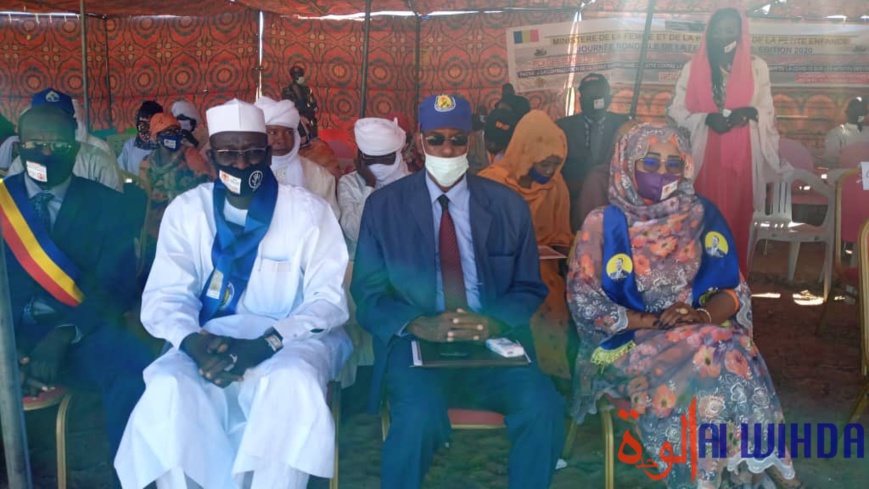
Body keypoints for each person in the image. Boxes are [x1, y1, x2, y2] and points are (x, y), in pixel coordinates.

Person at [113, 99, 351, 489]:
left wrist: (267, 344)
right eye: (229, 153)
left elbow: (327, 301)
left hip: (289, 341)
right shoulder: (187, 212)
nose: (241, 163)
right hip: (208, 339)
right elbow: (165, 296)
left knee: (291, 382)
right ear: (212, 154)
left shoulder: (308, 212)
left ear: (268, 151)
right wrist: (192, 343)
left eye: (252, 151)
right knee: (169, 385)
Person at [567, 123, 801, 489]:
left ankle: (726, 474)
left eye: (673, 164)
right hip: (625, 343)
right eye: (651, 162)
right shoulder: (602, 223)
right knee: (722, 349)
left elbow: (734, 290)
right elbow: (584, 301)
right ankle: (761, 474)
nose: (662, 173)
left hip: (700, 336)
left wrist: (699, 316)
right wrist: (657, 321)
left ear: (687, 166)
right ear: (626, 163)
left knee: (725, 347)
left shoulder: (703, 216)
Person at [351, 94, 565, 489]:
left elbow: (528, 286)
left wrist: (492, 320)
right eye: (436, 140)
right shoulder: (385, 207)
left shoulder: (506, 206)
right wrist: (418, 324)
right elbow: (368, 295)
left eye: (458, 139)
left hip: (493, 343)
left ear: (473, 142)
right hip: (417, 346)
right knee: (416, 418)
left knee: (545, 408)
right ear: (418, 143)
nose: (447, 150)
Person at [0, 104, 151, 480]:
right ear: (19, 147)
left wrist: (65, 333)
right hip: (9, 338)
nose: (47, 153)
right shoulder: (3, 202)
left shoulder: (108, 205)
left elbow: (118, 287)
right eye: (36, 143)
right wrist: (7, 351)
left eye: (60, 146)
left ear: (77, 147)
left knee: (139, 370)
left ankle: (128, 478)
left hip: (82, 333)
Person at [668, 8, 788, 275]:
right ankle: (700, 280)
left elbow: (767, 110)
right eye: (718, 30)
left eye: (731, 30)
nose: (724, 36)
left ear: (741, 32)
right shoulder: (693, 68)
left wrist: (749, 112)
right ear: (709, 33)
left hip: (742, 154)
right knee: (704, 215)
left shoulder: (757, 67)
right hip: (704, 154)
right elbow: (677, 111)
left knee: (736, 217)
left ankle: (733, 284)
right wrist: (706, 119)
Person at [478, 110, 573, 379]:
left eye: (557, 164)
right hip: (497, 271)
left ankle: (548, 378)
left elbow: (561, 236)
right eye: (545, 163)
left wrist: (565, 252)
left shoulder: (556, 186)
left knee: (550, 298)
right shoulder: (490, 182)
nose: (551, 171)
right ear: (526, 152)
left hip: (544, 272)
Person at [138, 112, 214, 273]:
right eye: (167, 133)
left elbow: (207, 181)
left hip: (186, 218)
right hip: (156, 223)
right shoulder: (147, 162)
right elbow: (144, 192)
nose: (173, 136)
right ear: (156, 137)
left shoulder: (189, 155)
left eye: (175, 131)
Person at [557, 73, 630, 232]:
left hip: (612, 198)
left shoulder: (624, 124)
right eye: (589, 96)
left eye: (599, 96)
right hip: (572, 198)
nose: (595, 102)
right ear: (580, 99)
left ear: (609, 99)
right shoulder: (563, 127)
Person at [8, 96, 122, 192]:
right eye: (43, 119)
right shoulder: (21, 162)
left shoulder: (98, 155)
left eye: (60, 119)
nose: (47, 151)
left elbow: (113, 202)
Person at [254, 96, 340, 217]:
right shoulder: (249, 171)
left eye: (288, 132)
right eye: (273, 132)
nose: (281, 139)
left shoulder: (319, 176)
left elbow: (331, 217)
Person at [338, 117, 409, 253]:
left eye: (386, 158)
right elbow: (354, 232)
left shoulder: (409, 183)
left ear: (397, 155)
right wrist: (370, 186)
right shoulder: (348, 183)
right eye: (371, 159)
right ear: (360, 158)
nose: (379, 164)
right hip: (362, 263)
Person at [118, 101, 164, 176]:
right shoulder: (130, 145)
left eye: (151, 126)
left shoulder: (164, 147)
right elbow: (120, 171)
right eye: (142, 126)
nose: (146, 131)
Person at [824, 96, 869, 166]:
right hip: (844, 174)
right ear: (847, 113)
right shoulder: (836, 133)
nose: (857, 114)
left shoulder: (835, 133)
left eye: (860, 112)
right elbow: (831, 159)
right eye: (854, 111)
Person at [281, 64, 319, 136]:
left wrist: (314, 107)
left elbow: (313, 102)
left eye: (301, 75)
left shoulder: (306, 89)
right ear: (294, 77)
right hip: (297, 121)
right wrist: (300, 117)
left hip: (309, 118)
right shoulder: (287, 91)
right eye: (299, 76)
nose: (302, 77)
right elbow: (288, 107)